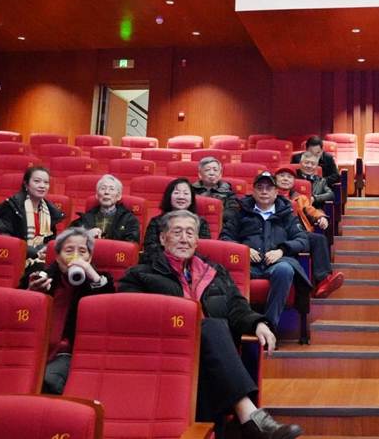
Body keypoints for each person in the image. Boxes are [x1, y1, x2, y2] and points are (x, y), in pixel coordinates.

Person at [119, 210, 303, 439]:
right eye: (177, 232)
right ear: (163, 238)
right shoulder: (139, 275)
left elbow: (236, 306)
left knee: (212, 336)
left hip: (211, 357)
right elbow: (133, 318)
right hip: (166, 354)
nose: (184, 239)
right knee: (210, 327)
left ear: (197, 240)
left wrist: (258, 323)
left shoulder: (215, 272)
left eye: (190, 233)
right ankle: (250, 417)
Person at [21, 227, 114, 394]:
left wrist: (92, 275)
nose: (75, 256)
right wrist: (31, 294)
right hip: (34, 347)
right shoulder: (41, 277)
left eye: (82, 251)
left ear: (89, 257)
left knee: (47, 381)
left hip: (69, 352)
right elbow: (18, 314)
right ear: (57, 257)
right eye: (69, 251)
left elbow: (108, 311)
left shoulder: (100, 281)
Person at [221, 171, 311, 330]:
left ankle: (269, 326)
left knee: (285, 270)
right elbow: (225, 238)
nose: (264, 192)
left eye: (268, 188)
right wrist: (243, 251)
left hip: (277, 263)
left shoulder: (287, 214)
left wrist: (282, 250)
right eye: (260, 188)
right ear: (253, 191)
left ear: (276, 192)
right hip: (247, 265)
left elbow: (302, 240)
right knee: (229, 273)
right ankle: (240, 326)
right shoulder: (240, 212)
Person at [275, 166, 344, 298]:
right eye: (282, 176)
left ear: (294, 181)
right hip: (278, 234)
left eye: (289, 177)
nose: (285, 179)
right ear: (275, 179)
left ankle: (323, 281)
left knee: (319, 239)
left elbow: (311, 210)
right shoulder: (269, 196)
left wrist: (321, 217)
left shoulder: (300, 198)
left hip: (298, 233)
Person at [0, 166, 65, 262]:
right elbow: (3, 237)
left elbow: (50, 240)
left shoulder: (50, 211)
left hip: (41, 258)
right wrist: (33, 252)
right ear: (26, 184)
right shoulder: (12, 207)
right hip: (14, 258)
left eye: (46, 182)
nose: (42, 186)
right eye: (37, 181)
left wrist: (45, 250)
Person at [143, 178, 211, 260]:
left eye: (186, 193)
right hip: (161, 263)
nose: (181, 197)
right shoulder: (157, 221)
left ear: (192, 199)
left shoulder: (201, 222)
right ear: (169, 197)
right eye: (176, 193)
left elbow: (202, 249)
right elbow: (150, 249)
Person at [69, 174, 140, 243]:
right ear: (97, 195)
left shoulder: (129, 219)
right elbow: (68, 238)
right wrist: (86, 234)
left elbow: (131, 245)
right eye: (103, 188)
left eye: (111, 189)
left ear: (118, 196)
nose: (106, 192)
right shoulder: (86, 218)